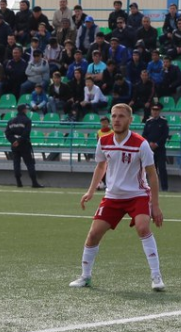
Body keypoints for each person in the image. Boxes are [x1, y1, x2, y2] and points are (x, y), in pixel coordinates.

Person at [69, 103, 165, 291]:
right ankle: (85, 276)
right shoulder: (104, 141)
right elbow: (100, 166)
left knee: (142, 227)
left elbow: (152, 174)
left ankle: (156, 277)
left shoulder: (141, 143)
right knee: (93, 234)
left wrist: (155, 204)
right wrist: (90, 190)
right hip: (112, 196)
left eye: (121, 116)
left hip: (137, 194)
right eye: (114, 116)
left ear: (130, 120)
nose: (116, 120)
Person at [5, 104, 42, 188]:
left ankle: (18, 182)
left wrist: (14, 141)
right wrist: (19, 141)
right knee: (29, 163)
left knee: (16, 163)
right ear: (24, 110)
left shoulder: (11, 121)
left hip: (14, 145)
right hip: (24, 144)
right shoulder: (27, 120)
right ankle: (34, 182)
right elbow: (26, 133)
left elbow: (7, 133)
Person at [142, 104, 169, 192]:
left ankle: (164, 188)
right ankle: (149, 187)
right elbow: (144, 135)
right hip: (150, 150)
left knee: (162, 169)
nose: (155, 112)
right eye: (153, 110)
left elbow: (165, 135)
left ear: (159, 111)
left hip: (160, 149)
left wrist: (157, 144)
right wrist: (149, 143)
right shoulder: (149, 122)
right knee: (150, 169)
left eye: (157, 110)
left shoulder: (163, 122)